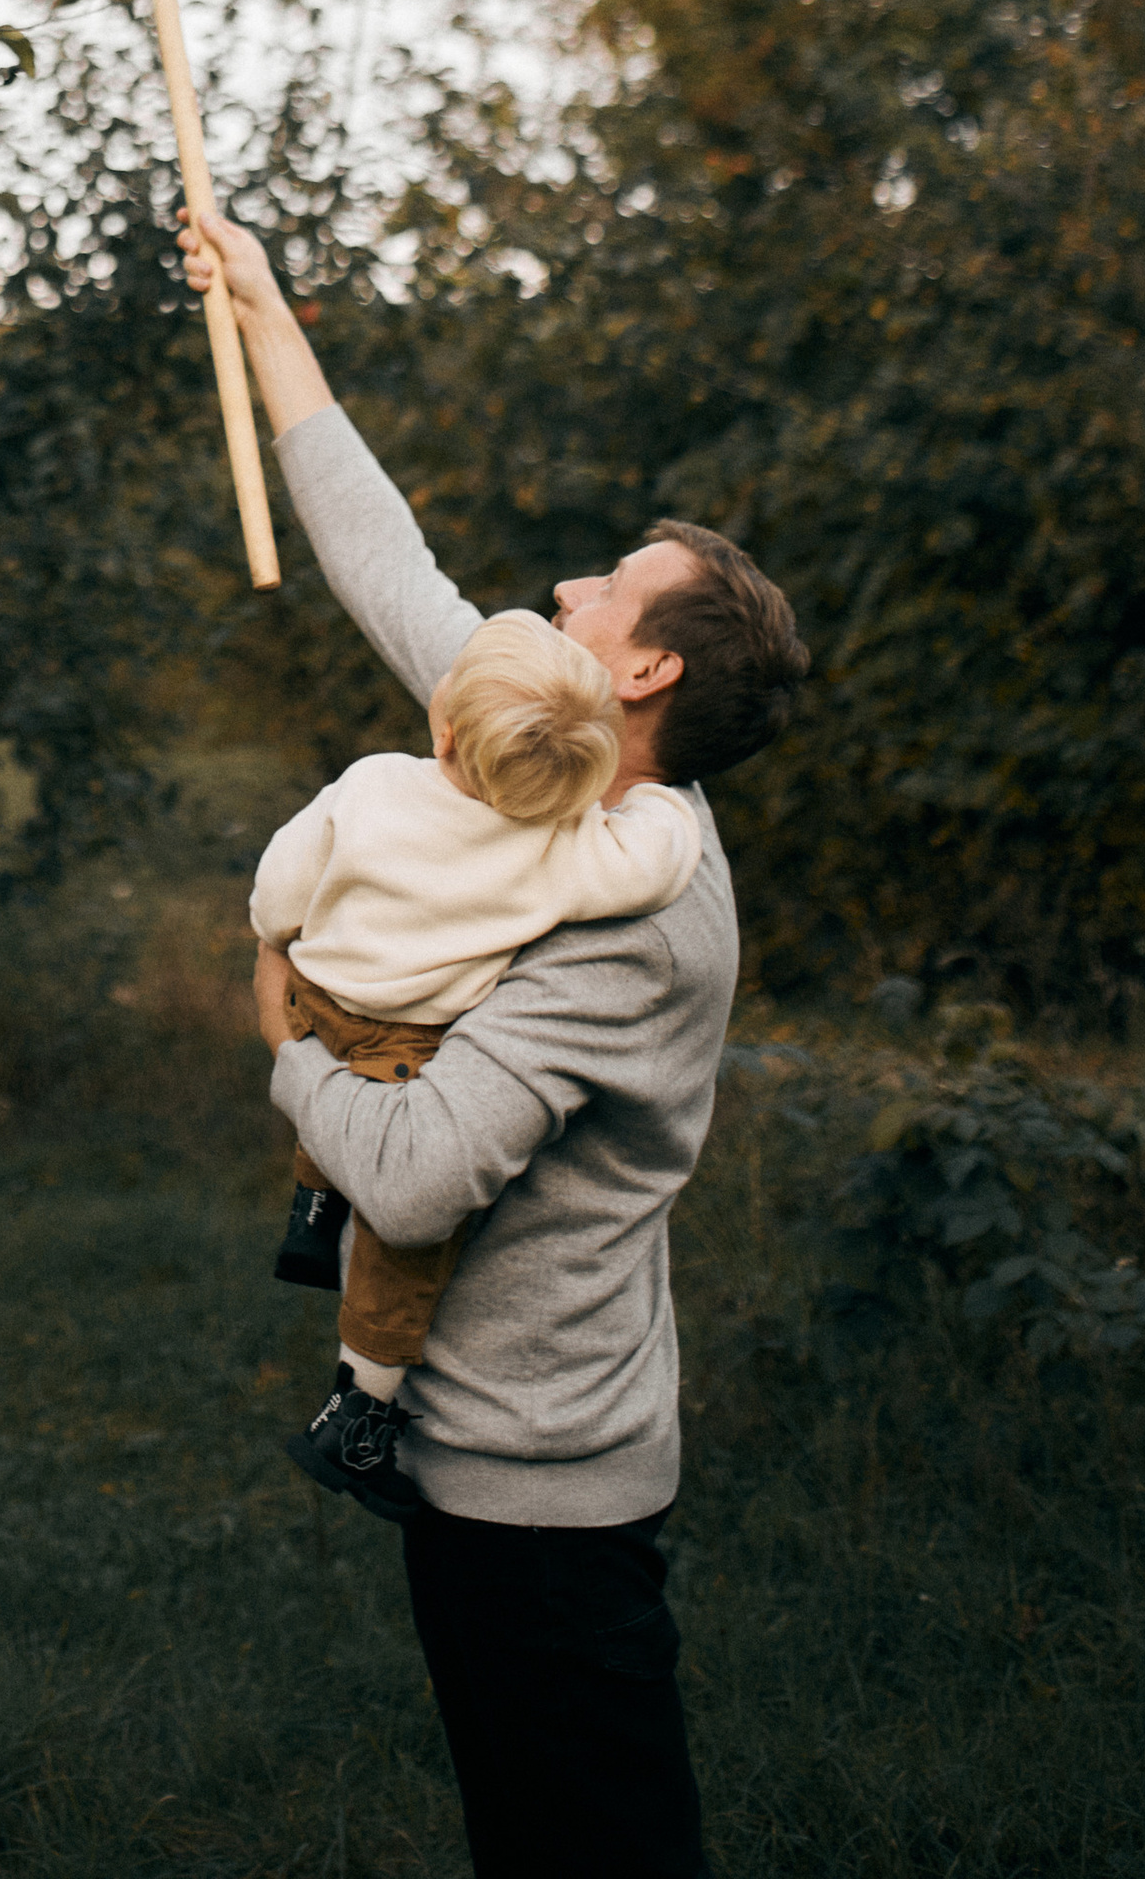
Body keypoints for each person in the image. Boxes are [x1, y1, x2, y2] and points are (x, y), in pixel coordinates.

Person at [178, 206, 809, 1879]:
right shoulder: (531, 740)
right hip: (483, 1452)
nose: (564, 587)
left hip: (542, 1484)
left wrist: (283, 1034)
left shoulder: (640, 911)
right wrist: (260, 305)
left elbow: (415, 1177)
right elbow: (381, 553)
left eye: (606, 586)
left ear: (647, 666)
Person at [255, 608, 702, 1520]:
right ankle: (359, 1411)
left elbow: (279, 891)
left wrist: (279, 939)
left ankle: (311, 1211)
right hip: (406, 1049)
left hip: (318, 997)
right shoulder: (562, 851)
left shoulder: (371, 784)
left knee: (331, 1084)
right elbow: (658, 862)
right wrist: (664, 796)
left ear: (446, 728)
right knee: (405, 1254)